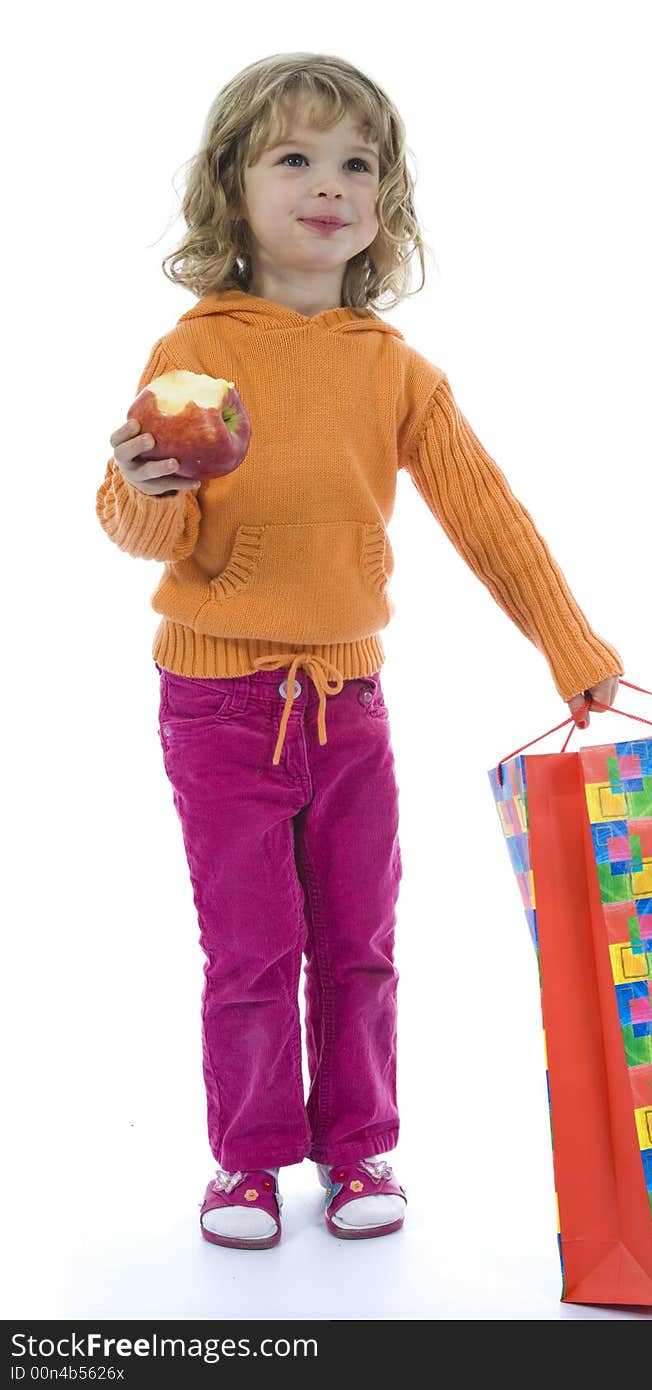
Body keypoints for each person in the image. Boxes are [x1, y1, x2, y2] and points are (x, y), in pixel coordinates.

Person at [96, 52, 624, 1251]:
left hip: (348, 702)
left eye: (357, 164)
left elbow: (487, 514)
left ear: (383, 204)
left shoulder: (391, 368)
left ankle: (357, 1147)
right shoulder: (194, 348)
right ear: (232, 189)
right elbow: (141, 530)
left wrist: (570, 644)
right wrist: (145, 481)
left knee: (358, 938)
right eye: (294, 157)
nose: (329, 184)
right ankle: (246, 1162)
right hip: (218, 702)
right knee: (249, 942)